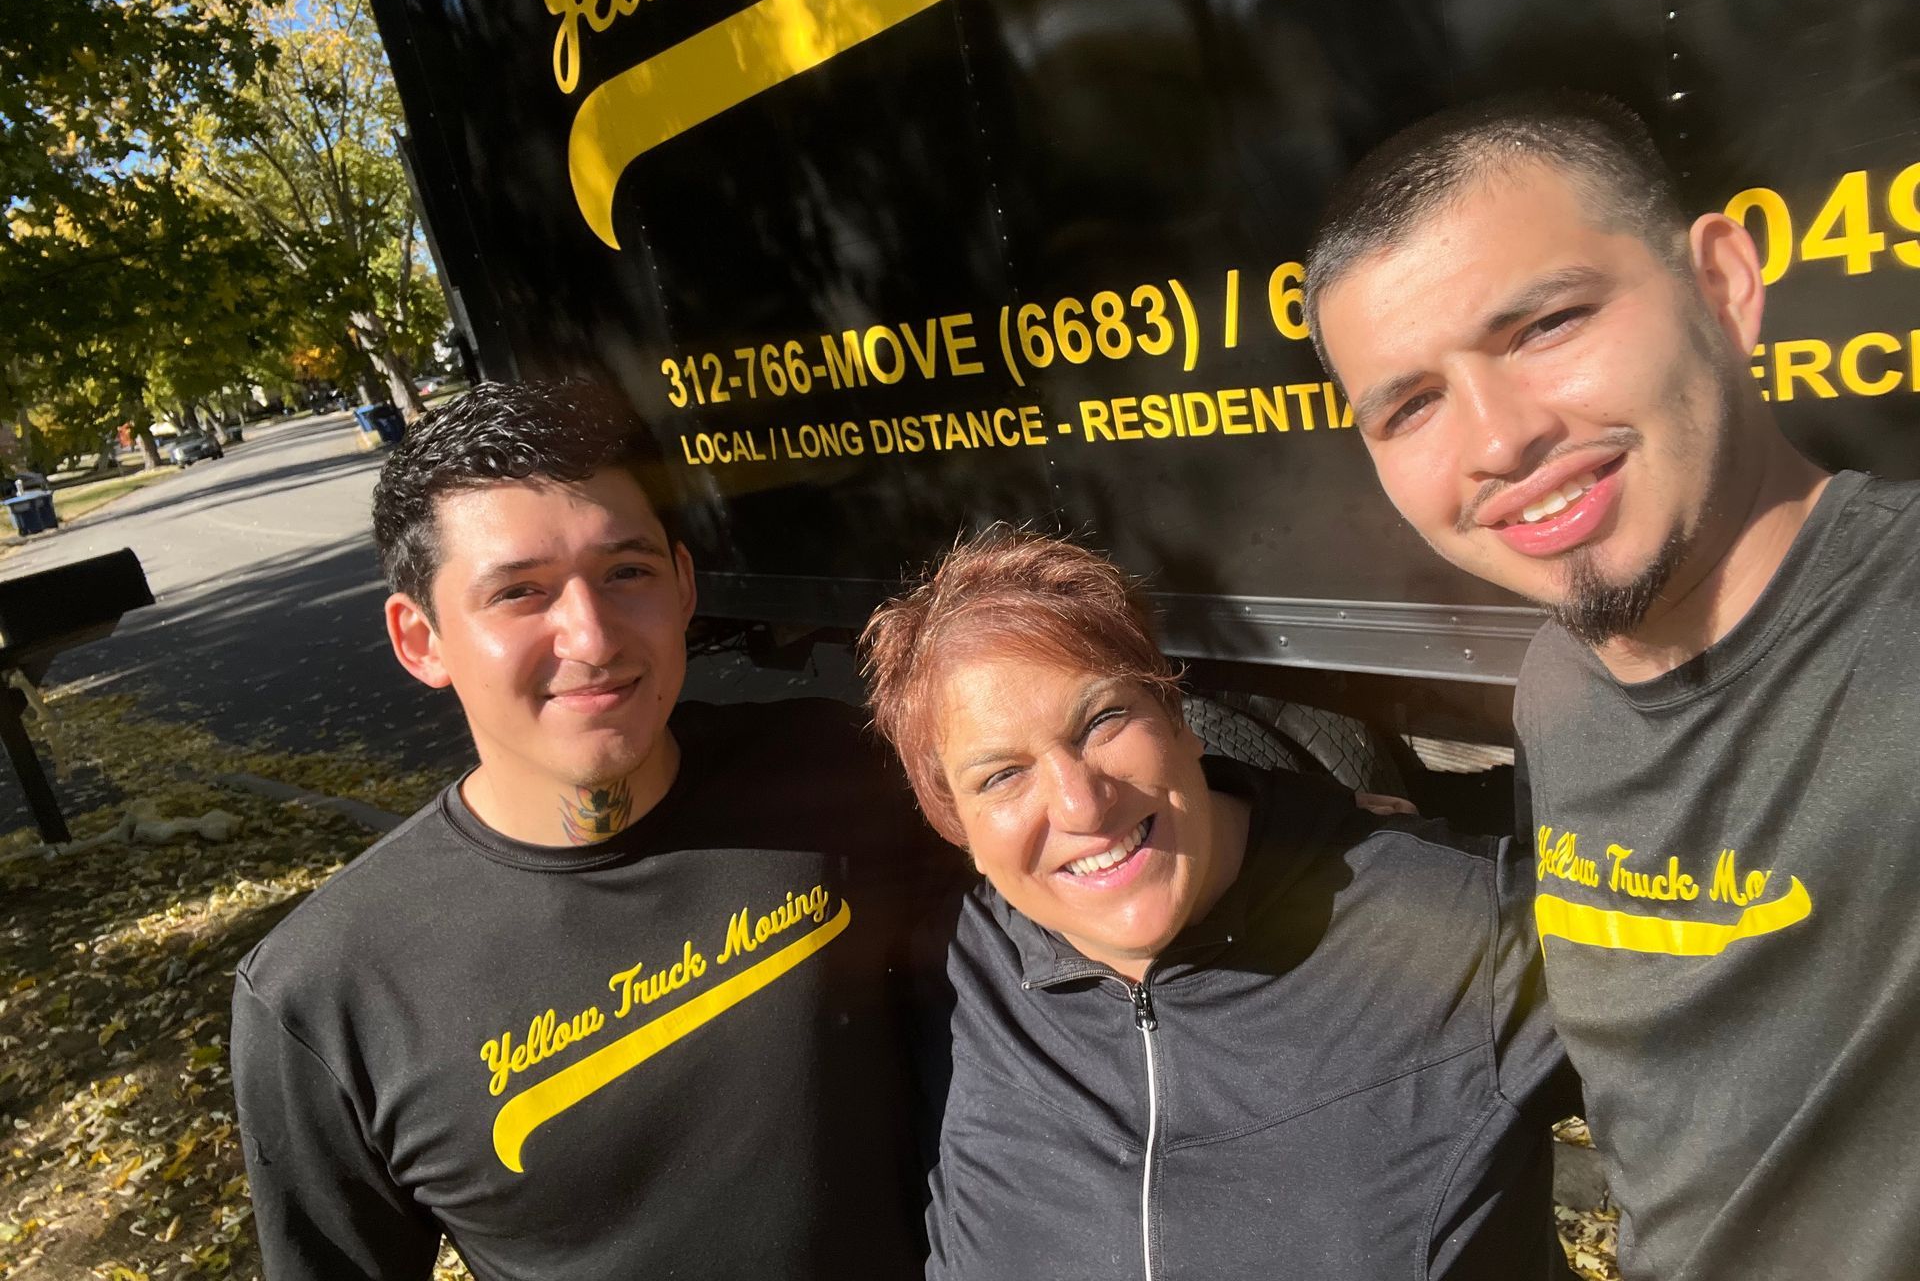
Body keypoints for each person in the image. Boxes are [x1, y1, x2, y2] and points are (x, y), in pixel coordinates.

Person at [1306, 92, 1920, 1281]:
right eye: (1413, 404)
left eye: (1545, 325)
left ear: (1725, 285)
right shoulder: (1559, 684)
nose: (1497, 439)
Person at [231, 380, 934, 1279]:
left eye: (626, 572)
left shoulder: (850, 773)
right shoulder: (325, 995)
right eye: (520, 593)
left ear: (684, 585)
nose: (593, 636)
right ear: (422, 640)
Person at [861, 528, 1576, 1280]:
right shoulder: (955, 969)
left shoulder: (1458, 924)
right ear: (955, 827)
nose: (1080, 806)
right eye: (1002, 776)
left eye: (1102, 721)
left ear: (1177, 718)